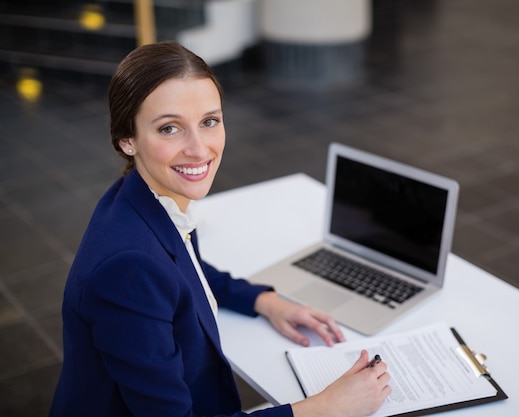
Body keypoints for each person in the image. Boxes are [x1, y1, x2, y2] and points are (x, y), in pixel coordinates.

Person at [49, 41, 391, 417]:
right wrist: (326, 408)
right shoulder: (127, 267)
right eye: (169, 128)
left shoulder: (143, 198)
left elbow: (181, 271)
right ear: (127, 140)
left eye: (209, 121)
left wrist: (264, 301)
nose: (199, 149)